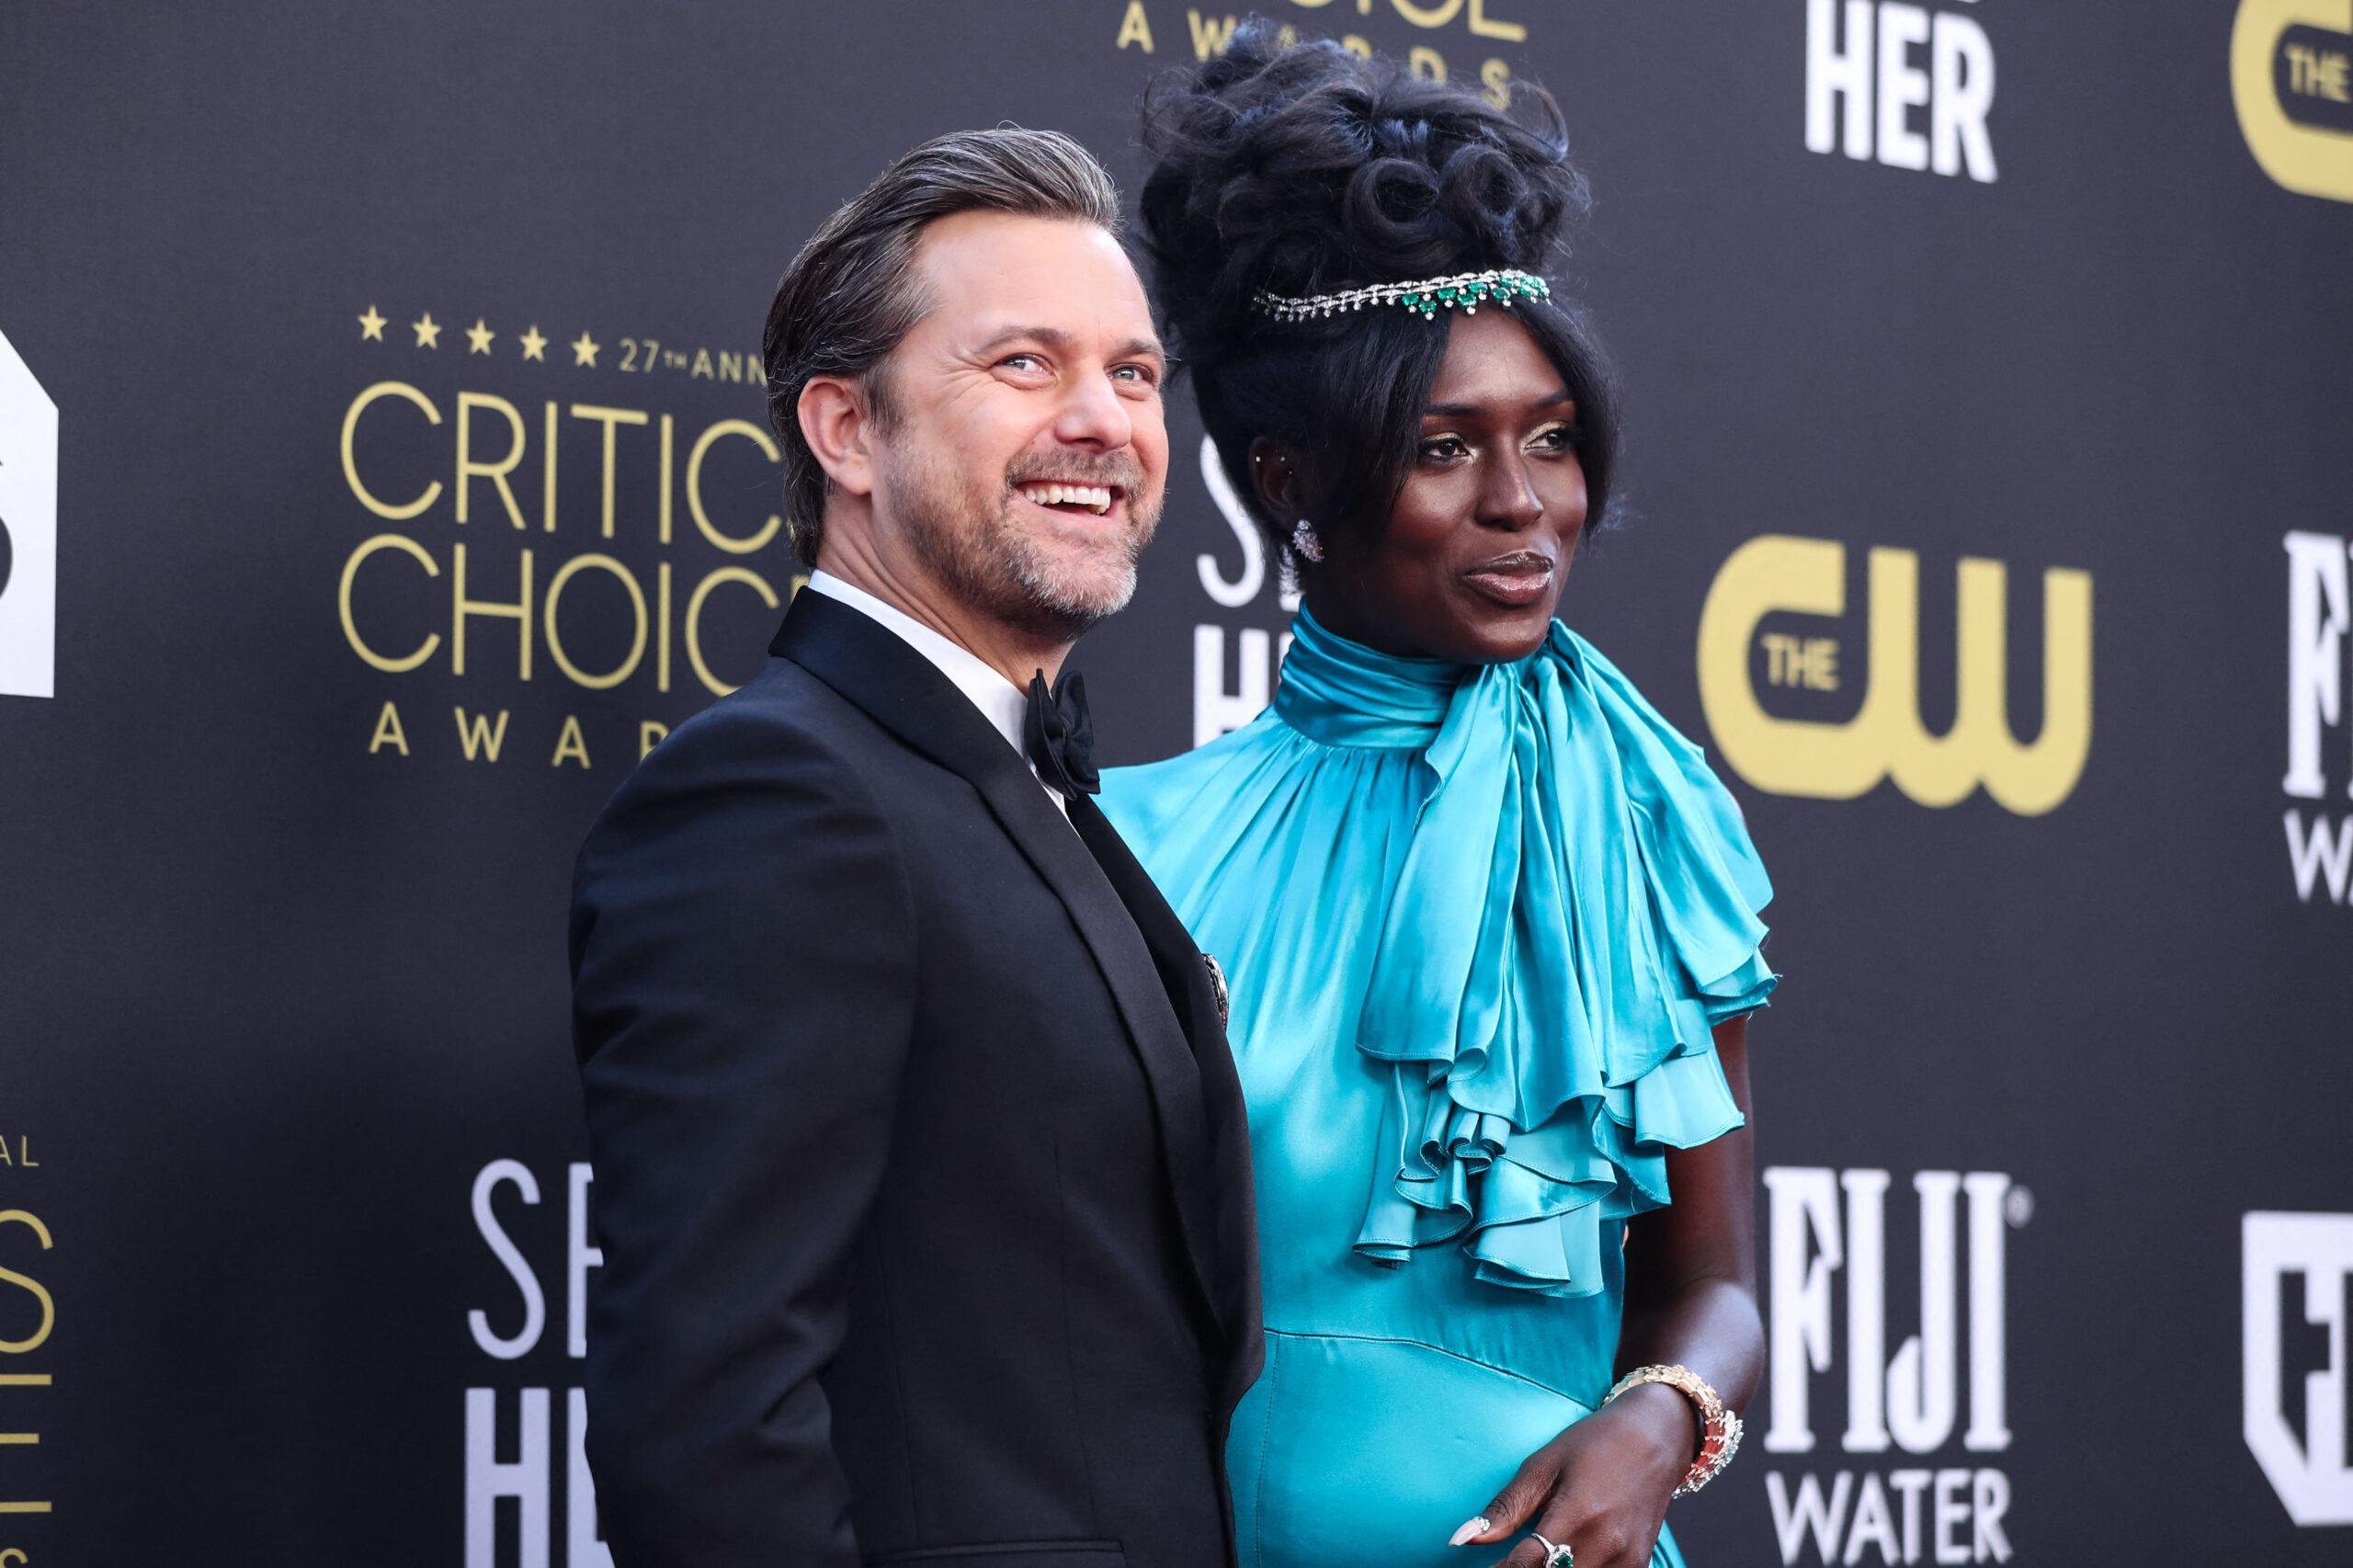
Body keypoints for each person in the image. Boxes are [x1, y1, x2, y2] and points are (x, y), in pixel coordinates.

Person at [1097, 30, 1776, 1568]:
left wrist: (1657, 1423)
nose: (1522, 503)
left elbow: (1712, 1290)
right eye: (1442, 448)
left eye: (1549, 440)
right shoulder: (1129, 846)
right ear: (1290, 480)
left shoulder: (1653, 825)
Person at [569, 128, 1261, 1568]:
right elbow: (704, 1424)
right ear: (845, 431)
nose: (1106, 422)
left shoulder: (1022, 777)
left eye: (1133, 374)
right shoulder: (778, 796)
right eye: (1024, 364)